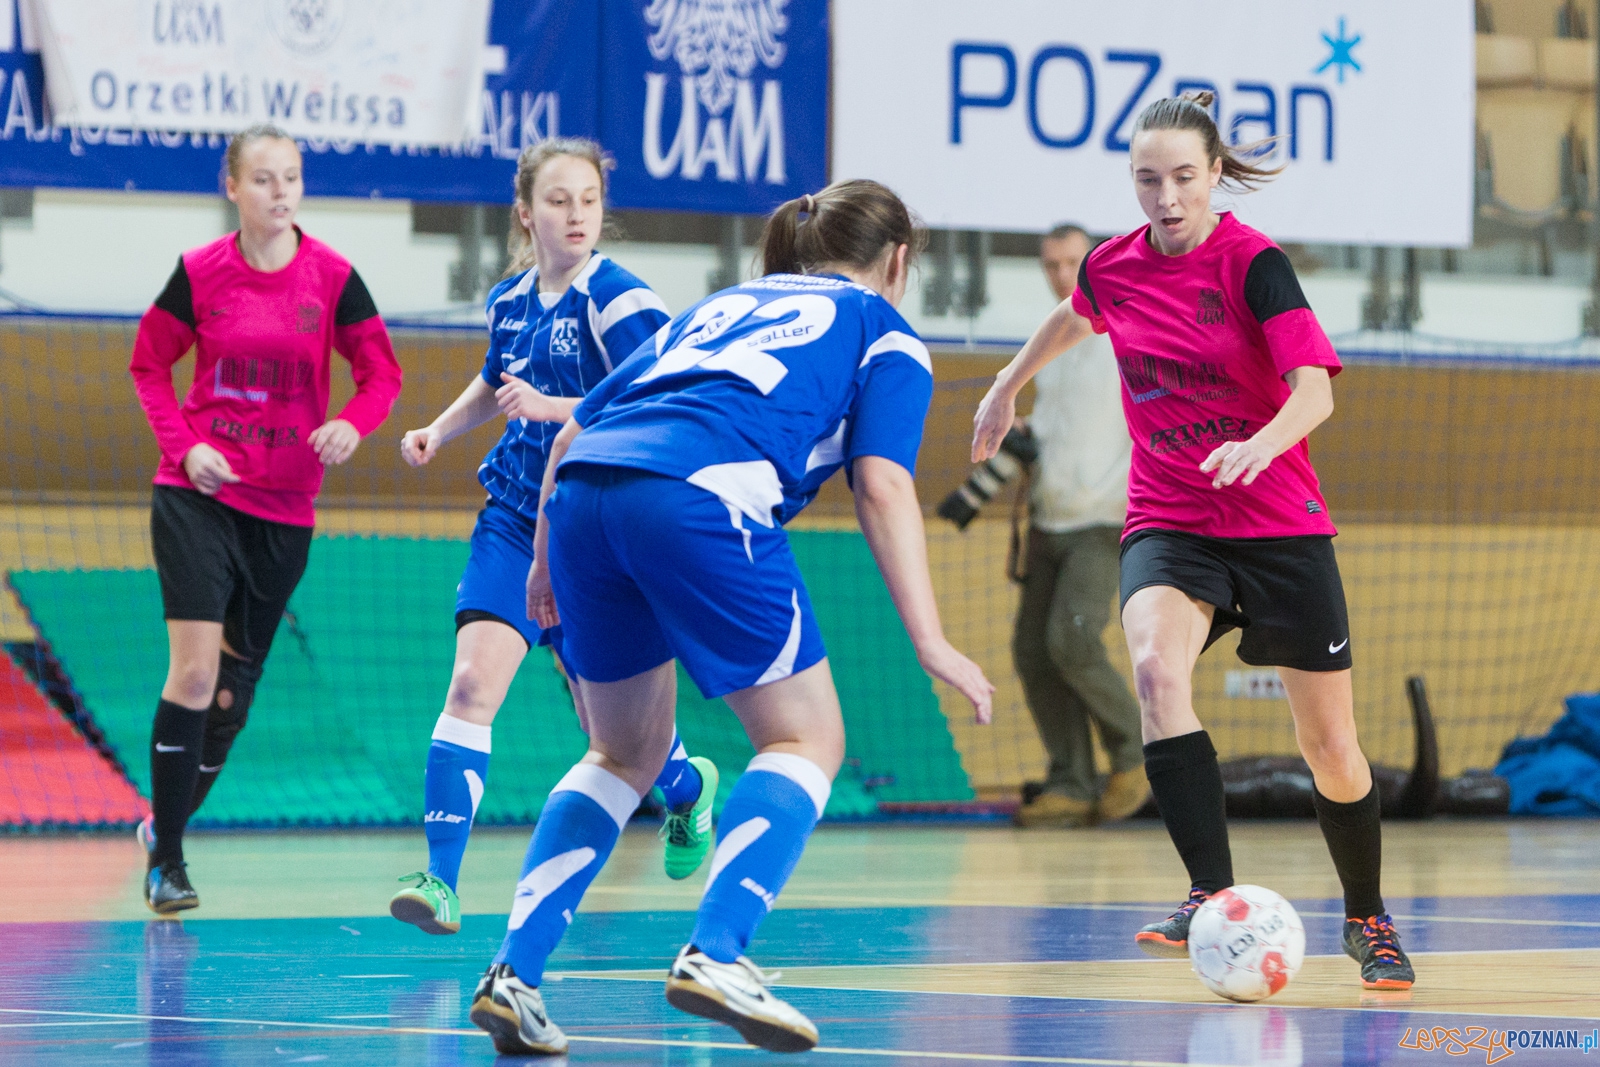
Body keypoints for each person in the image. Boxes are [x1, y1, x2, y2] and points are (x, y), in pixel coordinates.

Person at [465, 179, 995, 1056]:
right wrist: (932, 640)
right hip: (702, 494)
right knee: (806, 739)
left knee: (621, 751)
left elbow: (565, 436)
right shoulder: (884, 329)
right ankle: (717, 951)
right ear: (899, 260)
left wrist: (543, 564)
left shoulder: (720, 306)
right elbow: (883, 481)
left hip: (586, 495)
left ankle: (514, 975)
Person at [972, 92, 1415, 991]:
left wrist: (1262, 441)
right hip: (1172, 514)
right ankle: (1208, 891)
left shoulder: (1254, 264)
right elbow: (1075, 312)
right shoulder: (1114, 266)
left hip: (1279, 519)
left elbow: (1316, 391)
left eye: (1182, 177)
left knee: (1330, 746)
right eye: (1147, 180)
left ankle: (1366, 915)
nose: (1166, 196)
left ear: (1215, 174)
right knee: (1154, 671)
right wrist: (1008, 382)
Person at [387, 138, 719, 936]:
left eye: (590, 201)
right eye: (560, 200)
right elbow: (499, 377)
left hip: (592, 526)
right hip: (513, 515)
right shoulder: (508, 298)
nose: (576, 216)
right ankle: (441, 882)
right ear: (525, 212)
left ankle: (687, 786)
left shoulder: (617, 296)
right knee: (471, 683)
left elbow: (666, 395)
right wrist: (442, 427)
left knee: (611, 733)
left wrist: (558, 408)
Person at [129, 123, 403, 914]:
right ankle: (171, 864)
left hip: (285, 511)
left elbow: (381, 372)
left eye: (291, 178)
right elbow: (148, 362)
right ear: (233, 188)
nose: (280, 192)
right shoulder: (200, 274)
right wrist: (184, 449)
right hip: (198, 498)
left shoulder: (333, 278)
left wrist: (352, 422)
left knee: (229, 702)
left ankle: (162, 824)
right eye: (263, 179)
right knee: (193, 670)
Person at [1011, 223, 1147, 829]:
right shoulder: (1051, 345)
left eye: (1072, 263)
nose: (1062, 275)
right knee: (1031, 652)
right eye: (1051, 265)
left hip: (1106, 518)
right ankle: (1071, 780)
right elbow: (1049, 431)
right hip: (1049, 518)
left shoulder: (1129, 335)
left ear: (1095, 262)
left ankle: (1138, 755)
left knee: (1072, 640)